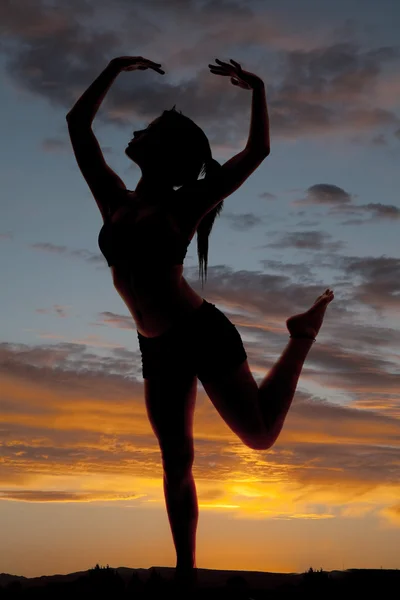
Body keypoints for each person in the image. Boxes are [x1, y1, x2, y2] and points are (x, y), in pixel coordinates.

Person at [66, 55, 334, 589]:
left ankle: (300, 336)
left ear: (168, 154)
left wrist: (257, 89)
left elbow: (256, 152)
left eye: (152, 129)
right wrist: (113, 66)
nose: (139, 131)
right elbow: (77, 125)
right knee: (175, 462)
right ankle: (185, 571)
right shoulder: (112, 201)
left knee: (259, 436)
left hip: (200, 332)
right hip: (156, 346)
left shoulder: (183, 206)